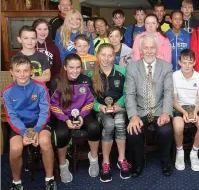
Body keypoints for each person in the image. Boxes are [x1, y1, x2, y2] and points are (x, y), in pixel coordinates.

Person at [3, 55, 57, 190]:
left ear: (31, 70)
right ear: (12, 72)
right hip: (20, 126)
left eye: (26, 70)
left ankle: (49, 179)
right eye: (18, 71)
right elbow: (12, 116)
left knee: (45, 142)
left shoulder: (40, 87)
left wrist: (37, 130)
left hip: (40, 123)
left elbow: (45, 111)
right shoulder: (7, 92)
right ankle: (17, 182)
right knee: (15, 148)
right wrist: (24, 132)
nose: (22, 74)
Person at [126, 34, 174, 177]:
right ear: (140, 49)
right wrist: (133, 116)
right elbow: (129, 94)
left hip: (159, 109)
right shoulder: (132, 67)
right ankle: (138, 163)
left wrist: (166, 112)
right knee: (133, 131)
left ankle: (166, 161)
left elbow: (168, 92)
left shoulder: (166, 66)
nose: (149, 50)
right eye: (145, 48)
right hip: (140, 110)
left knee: (165, 131)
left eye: (152, 47)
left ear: (157, 49)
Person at [50, 53, 101, 183]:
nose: (75, 71)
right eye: (71, 67)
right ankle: (63, 164)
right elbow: (53, 105)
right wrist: (65, 119)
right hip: (63, 115)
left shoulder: (85, 80)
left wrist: (82, 116)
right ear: (65, 67)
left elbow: (90, 101)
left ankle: (93, 158)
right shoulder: (56, 81)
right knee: (61, 133)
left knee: (94, 127)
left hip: (82, 113)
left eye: (78, 67)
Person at [88, 43, 131, 182]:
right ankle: (105, 162)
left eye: (110, 55)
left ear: (114, 57)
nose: (106, 58)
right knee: (109, 124)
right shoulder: (91, 74)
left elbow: (128, 93)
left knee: (119, 122)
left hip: (119, 108)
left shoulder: (122, 71)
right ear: (97, 56)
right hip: (101, 110)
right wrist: (99, 107)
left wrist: (119, 104)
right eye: (103, 55)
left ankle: (121, 159)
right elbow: (89, 98)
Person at [172, 49, 199, 172]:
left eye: (190, 62)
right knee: (178, 126)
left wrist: (193, 112)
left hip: (195, 107)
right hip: (180, 107)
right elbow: (175, 102)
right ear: (179, 62)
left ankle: (194, 152)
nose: (187, 65)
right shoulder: (174, 76)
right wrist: (184, 112)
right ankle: (180, 152)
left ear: (194, 63)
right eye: (184, 62)